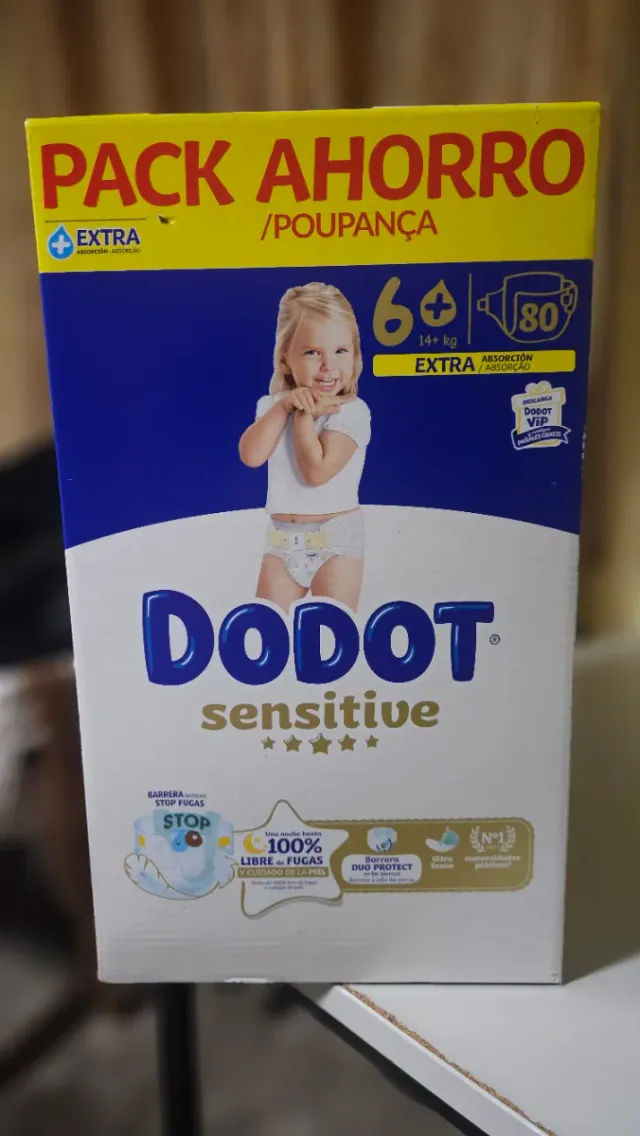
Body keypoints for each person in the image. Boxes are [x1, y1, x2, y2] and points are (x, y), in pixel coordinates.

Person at [239, 282, 371, 613]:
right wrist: (284, 407)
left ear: (355, 355)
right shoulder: (272, 405)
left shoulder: (352, 412)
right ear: (285, 359)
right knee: (270, 626)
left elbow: (316, 472)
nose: (328, 365)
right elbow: (251, 456)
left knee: (333, 627)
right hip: (281, 540)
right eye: (313, 352)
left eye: (340, 351)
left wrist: (302, 416)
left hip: (335, 540)